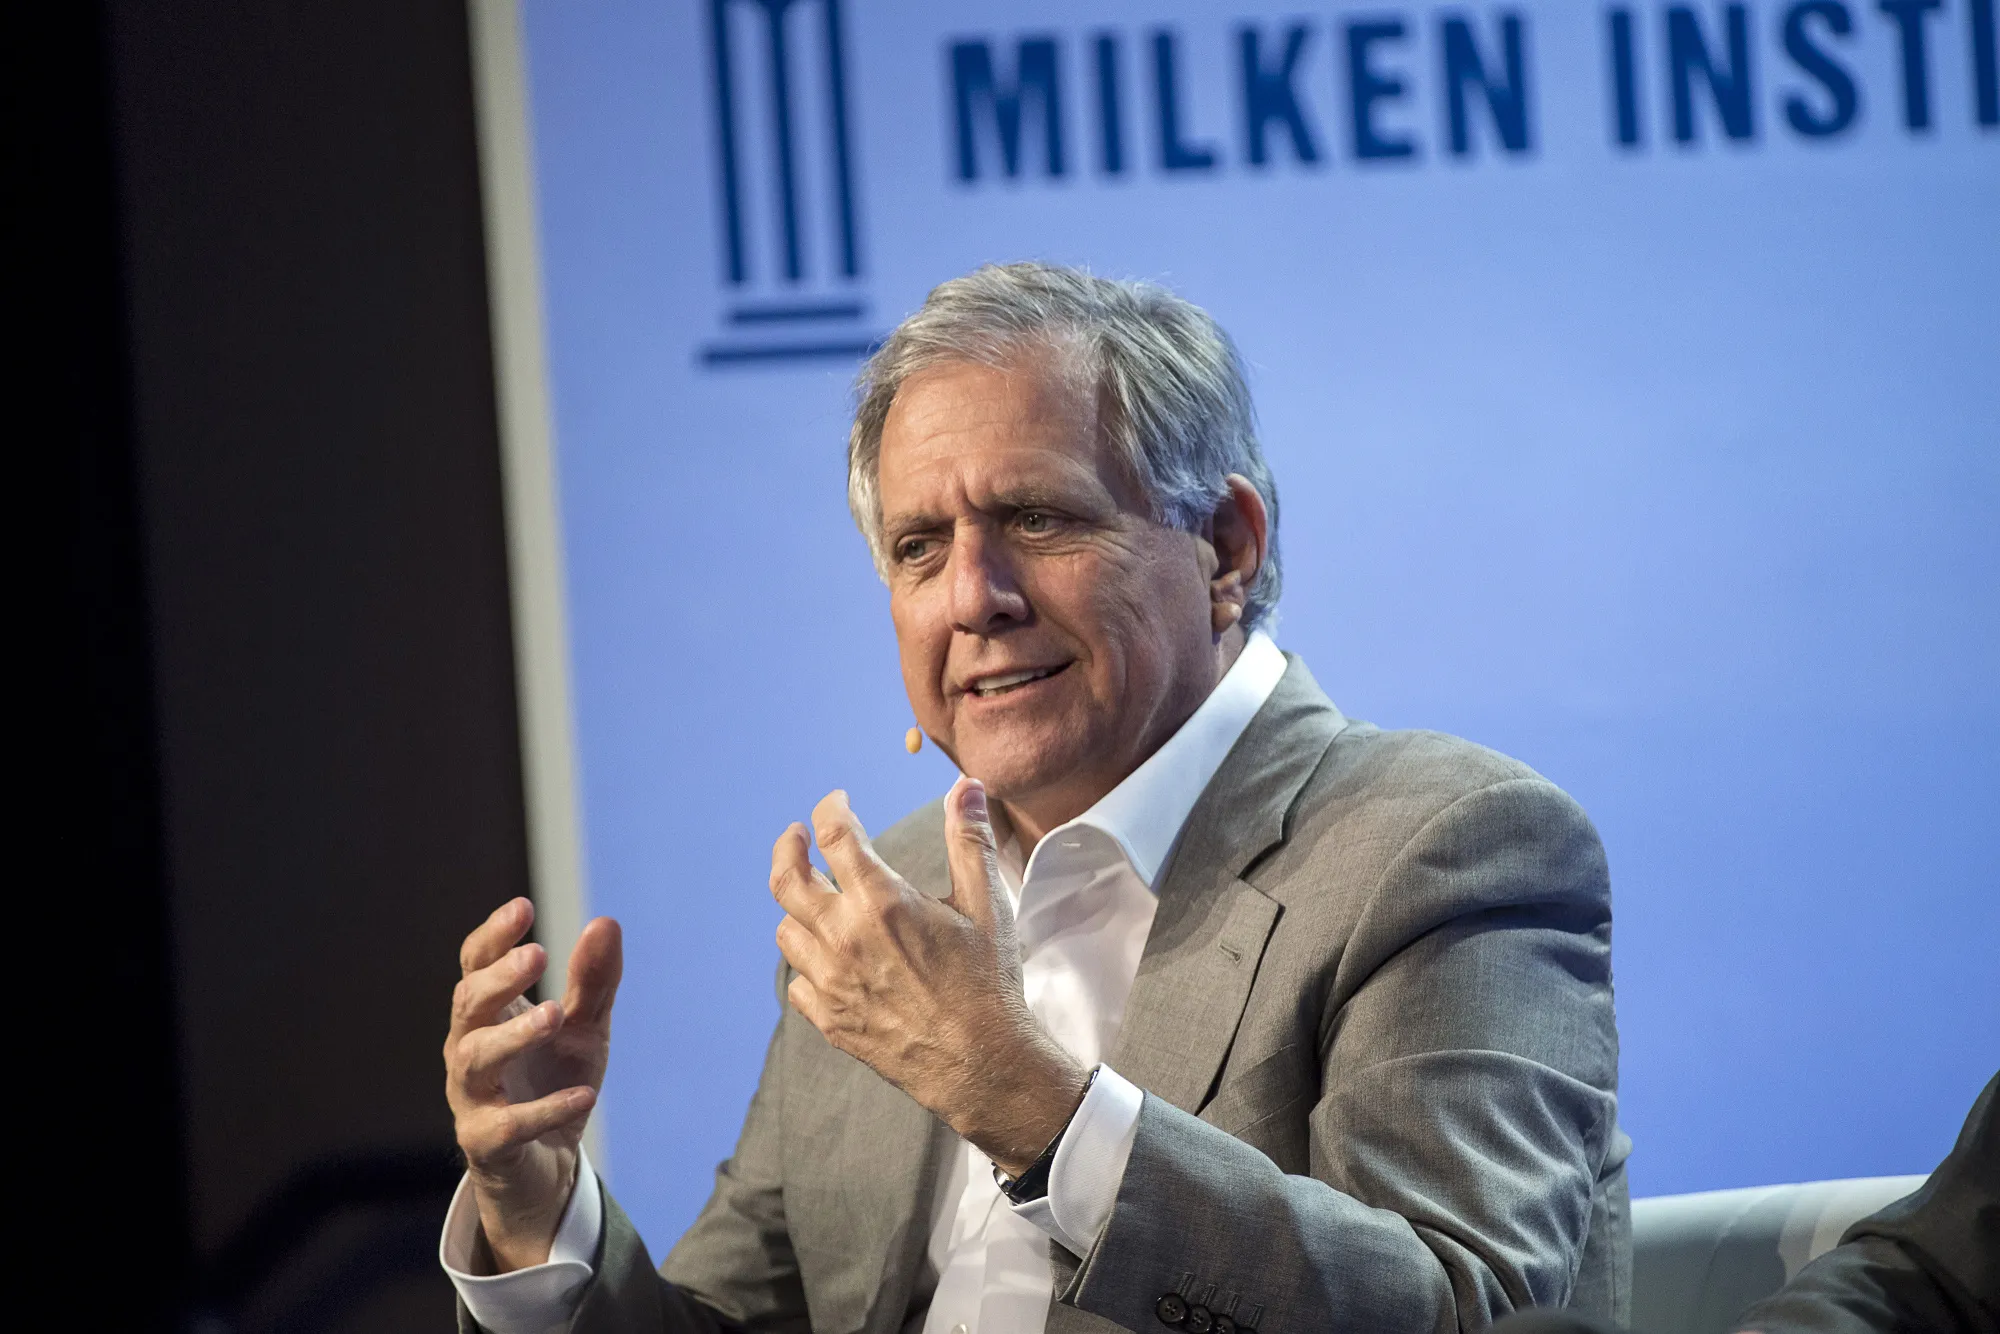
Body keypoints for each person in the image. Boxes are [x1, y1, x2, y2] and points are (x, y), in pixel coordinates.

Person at [440, 263, 1631, 1334]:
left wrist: (1020, 1094)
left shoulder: (1439, 848)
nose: (973, 596)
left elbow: (1464, 1308)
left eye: (1036, 517)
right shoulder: (886, 907)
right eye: (918, 546)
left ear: (1224, 548)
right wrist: (542, 1224)